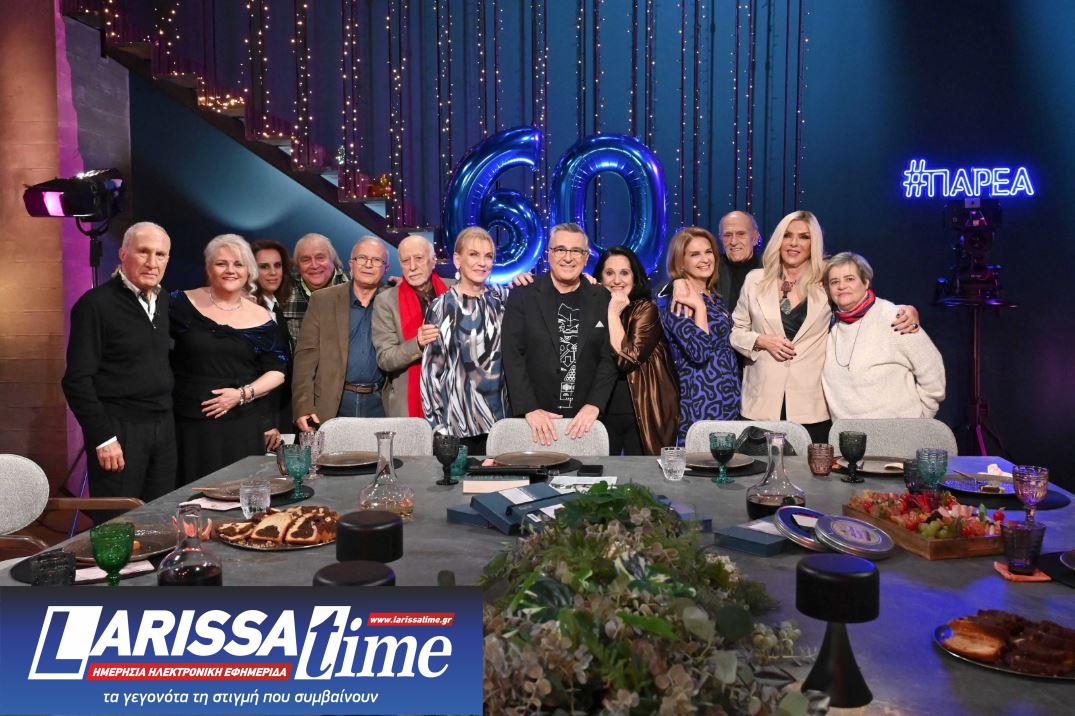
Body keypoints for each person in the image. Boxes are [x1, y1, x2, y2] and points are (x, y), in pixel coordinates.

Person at [730, 211, 922, 444]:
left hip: (811, 404)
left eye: (804, 237)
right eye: (787, 235)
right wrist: (760, 340)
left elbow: (864, 304)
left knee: (811, 467)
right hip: (760, 401)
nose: (794, 243)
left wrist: (903, 309)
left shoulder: (827, 278)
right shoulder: (755, 279)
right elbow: (737, 331)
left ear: (814, 243)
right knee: (758, 465)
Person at [62, 222, 177, 513]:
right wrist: (103, 437)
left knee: (160, 518)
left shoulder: (165, 300)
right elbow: (76, 381)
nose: (152, 262)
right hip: (118, 431)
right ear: (123, 254)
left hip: (163, 429)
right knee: (118, 522)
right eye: (143, 252)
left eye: (160, 254)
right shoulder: (95, 305)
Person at [170, 234, 286, 485]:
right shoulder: (179, 303)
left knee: (241, 493)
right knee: (192, 494)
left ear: (248, 271)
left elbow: (277, 370)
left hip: (242, 425)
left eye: (238, 264)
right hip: (190, 425)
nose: (230, 270)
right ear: (208, 268)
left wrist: (241, 394)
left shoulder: (262, 317)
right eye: (221, 263)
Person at [502, 223, 619, 447]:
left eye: (576, 251)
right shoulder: (523, 294)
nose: (568, 257)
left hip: (585, 423)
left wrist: (594, 404)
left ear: (585, 258)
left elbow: (609, 356)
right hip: (534, 422)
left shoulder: (602, 298)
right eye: (560, 249)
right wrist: (529, 408)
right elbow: (512, 354)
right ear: (549, 254)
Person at [821, 252, 946, 418]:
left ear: (866, 282)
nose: (841, 286)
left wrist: (921, 419)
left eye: (850, 279)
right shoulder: (829, 324)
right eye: (834, 282)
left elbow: (932, 371)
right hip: (847, 432)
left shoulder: (896, 318)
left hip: (898, 430)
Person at [421, 227, 510, 455]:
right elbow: (430, 373)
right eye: (474, 254)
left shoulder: (502, 299)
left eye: (488, 256)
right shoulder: (440, 307)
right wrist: (438, 427)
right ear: (457, 259)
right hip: (456, 427)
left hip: (501, 425)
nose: (482, 262)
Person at [293, 236, 390, 430]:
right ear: (351, 263)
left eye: (376, 260)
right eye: (362, 258)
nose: (368, 265)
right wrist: (302, 405)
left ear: (386, 268)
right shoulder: (323, 300)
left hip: (380, 403)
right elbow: (305, 358)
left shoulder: (394, 300)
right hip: (333, 404)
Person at [657, 227, 742, 445]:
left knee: (727, 461)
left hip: (728, 396)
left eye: (708, 252)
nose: (705, 259)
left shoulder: (713, 295)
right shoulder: (677, 302)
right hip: (701, 398)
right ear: (681, 262)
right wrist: (700, 308)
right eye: (695, 254)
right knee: (700, 461)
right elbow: (699, 351)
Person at [594, 246, 678, 455]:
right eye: (609, 273)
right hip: (600, 412)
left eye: (624, 273)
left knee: (640, 474)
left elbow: (627, 359)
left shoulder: (646, 309)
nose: (617, 280)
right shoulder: (593, 307)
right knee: (599, 472)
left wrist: (613, 314)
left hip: (640, 413)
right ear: (600, 278)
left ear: (634, 277)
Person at [372, 235, 450, 418]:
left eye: (419, 258)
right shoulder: (386, 301)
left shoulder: (455, 290)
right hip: (409, 405)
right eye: (405, 261)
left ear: (433, 261)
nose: (412, 267)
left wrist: (516, 282)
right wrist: (418, 344)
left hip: (453, 400)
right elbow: (385, 358)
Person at [251, 239, 295, 439]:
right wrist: (265, 422)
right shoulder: (248, 311)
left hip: (281, 409)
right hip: (260, 415)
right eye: (264, 267)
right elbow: (249, 372)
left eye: (277, 265)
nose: (273, 272)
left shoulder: (276, 307)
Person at [282, 232, 349, 343]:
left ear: (333, 260)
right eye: (306, 260)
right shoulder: (284, 290)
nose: (314, 265)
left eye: (320, 258)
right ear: (298, 266)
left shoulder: (355, 287)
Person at [717, 210, 763, 313]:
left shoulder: (770, 270)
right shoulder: (711, 268)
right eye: (727, 235)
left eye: (741, 234)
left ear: (755, 238)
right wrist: (680, 283)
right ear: (720, 238)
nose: (733, 241)